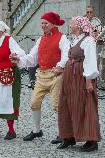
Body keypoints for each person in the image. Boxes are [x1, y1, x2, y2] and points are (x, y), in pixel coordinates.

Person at [13, 12, 70, 144]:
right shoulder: (40, 39)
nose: (43, 25)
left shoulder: (62, 38)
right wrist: (19, 59)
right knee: (34, 102)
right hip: (42, 75)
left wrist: (60, 66)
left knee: (57, 105)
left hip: (56, 75)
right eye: (42, 23)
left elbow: (67, 54)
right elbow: (32, 58)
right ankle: (37, 130)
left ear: (53, 24)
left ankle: (63, 133)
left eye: (46, 23)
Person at [57, 16, 100, 152]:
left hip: (81, 77)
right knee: (66, 104)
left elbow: (90, 62)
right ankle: (69, 136)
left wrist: (89, 81)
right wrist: (60, 68)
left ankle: (91, 140)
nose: (70, 26)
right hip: (70, 77)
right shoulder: (76, 40)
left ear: (80, 26)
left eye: (72, 24)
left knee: (84, 106)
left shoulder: (88, 41)